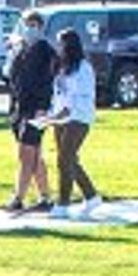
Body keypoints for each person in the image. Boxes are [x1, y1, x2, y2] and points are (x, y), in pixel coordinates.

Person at [4, 11, 57, 212]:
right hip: (20, 108)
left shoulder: (45, 51)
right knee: (34, 155)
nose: (30, 28)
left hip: (37, 109)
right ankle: (45, 196)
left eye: (34, 24)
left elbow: (48, 81)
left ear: (40, 27)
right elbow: (12, 78)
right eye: (27, 24)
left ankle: (18, 197)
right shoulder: (21, 51)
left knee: (26, 153)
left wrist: (43, 107)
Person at [48, 25, 104, 212]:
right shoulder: (61, 67)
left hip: (78, 117)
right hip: (60, 117)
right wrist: (51, 113)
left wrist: (67, 110)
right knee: (68, 159)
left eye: (61, 44)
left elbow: (83, 95)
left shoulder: (84, 68)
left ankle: (63, 203)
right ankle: (91, 196)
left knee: (65, 158)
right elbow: (58, 93)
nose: (59, 48)